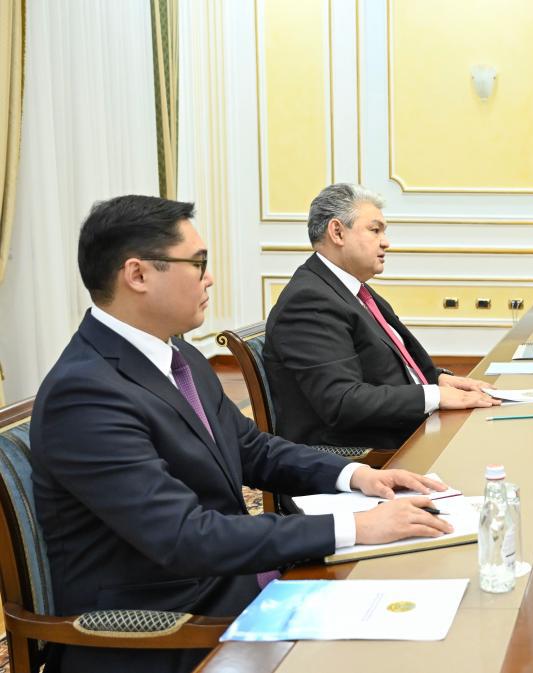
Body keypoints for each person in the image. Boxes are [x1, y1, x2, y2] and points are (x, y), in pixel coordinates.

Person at [32, 195, 457, 673]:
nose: (210, 277)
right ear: (138, 275)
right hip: (171, 627)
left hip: (232, 582)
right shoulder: (85, 394)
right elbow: (184, 536)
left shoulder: (179, 356)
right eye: (198, 263)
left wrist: (357, 476)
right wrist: (356, 527)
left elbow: (252, 448)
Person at [264, 183, 496, 452]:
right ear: (337, 232)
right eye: (375, 230)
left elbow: (381, 365)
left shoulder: (348, 288)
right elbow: (343, 402)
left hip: (401, 430)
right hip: (365, 453)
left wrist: (437, 379)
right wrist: (435, 395)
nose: (386, 242)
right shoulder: (309, 302)